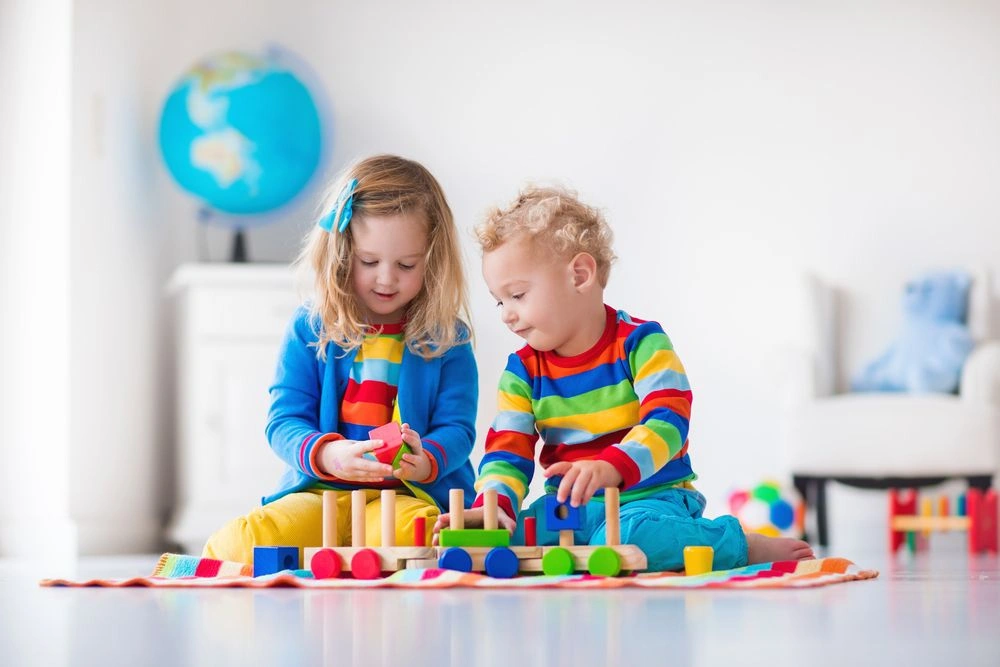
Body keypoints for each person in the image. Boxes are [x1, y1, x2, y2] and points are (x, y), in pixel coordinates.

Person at [433, 186, 813, 571]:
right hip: (570, 510)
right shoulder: (522, 371)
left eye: (517, 295)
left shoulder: (640, 343)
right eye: (500, 301)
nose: (507, 315)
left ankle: (735, 544)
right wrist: (496, 503)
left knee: (630, 537)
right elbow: (507, 449)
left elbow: (669, 420)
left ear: (580, 275)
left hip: (649, 497)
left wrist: (612, 466)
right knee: (502, 535)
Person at [204, 155, 478, 564]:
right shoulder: (310, 327)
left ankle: (370, 553)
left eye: (406, 265)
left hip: (406, 495)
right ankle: (354, 553)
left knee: (422, 536)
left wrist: (425, 463)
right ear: (341, 252)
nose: (386, 278)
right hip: (322, 493)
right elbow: (284, 421)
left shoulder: (448, 338)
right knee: (239, 546)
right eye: (369, 262)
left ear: (432, 261)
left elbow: (457, 428)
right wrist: (327, 455)